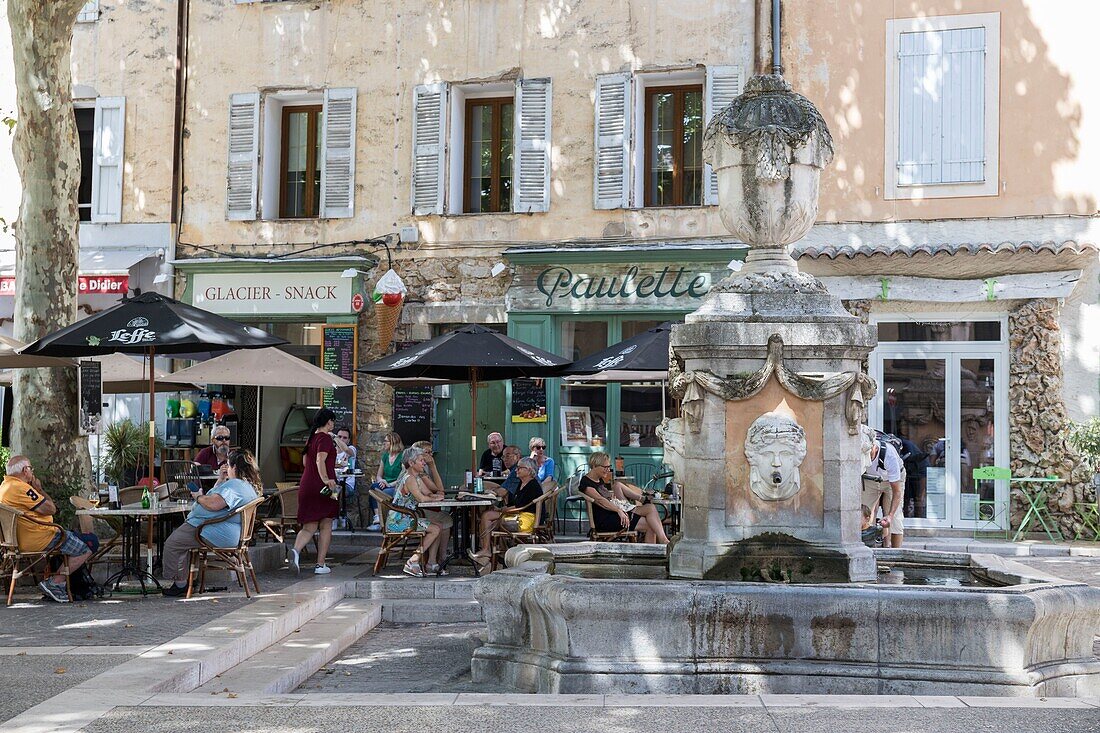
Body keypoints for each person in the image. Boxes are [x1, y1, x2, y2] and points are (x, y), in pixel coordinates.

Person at [160, 450, 261, 597]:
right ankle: (186, 580)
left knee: (172, 544)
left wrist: (198, 497)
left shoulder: (235, 485)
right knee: (182, 542)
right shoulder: (246, 486)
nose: (226, 467)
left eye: (228, 464)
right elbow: (218, 498)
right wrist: (220, 480)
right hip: (224, 530)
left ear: (234, 467)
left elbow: (214, 503)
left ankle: (180, 584)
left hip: (210, 529)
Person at [0, 456, 95, 603]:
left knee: (81, 538)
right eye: (31, 469)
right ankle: (55, 582)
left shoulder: (4, 487)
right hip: (41, 537)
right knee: (89, 544)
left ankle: (60, 582)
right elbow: (51, 509)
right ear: (25, 471)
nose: (32, 472)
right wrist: (39, 489)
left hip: (16, 541)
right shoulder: (21, 488)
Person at [289, 408, 341, 574]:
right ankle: (320, 565)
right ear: (328, 422)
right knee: (326, 524)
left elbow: (306, 462)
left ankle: (296, 551)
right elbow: (320, 459)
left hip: (306, 484)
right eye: (332, 420)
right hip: (325, 487)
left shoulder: (311, 439)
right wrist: (326, 479)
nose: (333, 423)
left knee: (309, 526)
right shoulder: (325, 439)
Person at [387, 446, 452, 577]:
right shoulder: (409, 479)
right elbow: (421, 498)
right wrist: (433, 499)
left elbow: (428, 493)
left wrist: (436, 497)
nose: (424, 463)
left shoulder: (416, 478)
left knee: (438, 526)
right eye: (421, 460)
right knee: (435, 529)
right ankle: (413, 560)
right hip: (399, 521)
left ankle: (429, 563)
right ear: (411, 463)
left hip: (408, 518)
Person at [580, 452, 668, 545]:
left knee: (651, 513)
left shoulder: (599, 479)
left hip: (614, 513)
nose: (608, 470)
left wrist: (616, 503)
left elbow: (606, 497)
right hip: (605, 520)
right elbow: (601, 501)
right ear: (594, 466)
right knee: (651, 520)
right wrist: (619, 510)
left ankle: (658, 545)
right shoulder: (586, 483)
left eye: (609, 466)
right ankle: (661, 543)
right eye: (605, 467)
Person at [471, 456, 545, 567]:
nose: (516, 470)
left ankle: (488, 552)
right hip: (519, 515)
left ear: (529, 471)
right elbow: (516, 504)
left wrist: (502, 510)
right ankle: (492, 554)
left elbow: (520, 506)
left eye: (519, 468)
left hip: (525, 521)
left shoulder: (532, 486)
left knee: (487, 516)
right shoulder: (522, 483)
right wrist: (501, 510)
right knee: (489, 517)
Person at [860, 425, 905, 548]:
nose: (865, 457)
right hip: (870, 479)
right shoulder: (857, 451)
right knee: (863, 514)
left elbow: (897, 492)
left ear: (874, 447)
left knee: (895, 519)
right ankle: (866, 549)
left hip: (892, 481)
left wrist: (889, 515)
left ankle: (896, 556)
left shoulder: (889, 455)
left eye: (867, 453)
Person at [367, 432, 405, 531]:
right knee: (373, 488)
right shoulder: (385, 456)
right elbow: (379, 475)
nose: (384, 443)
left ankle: (383, 520)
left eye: (386, 441)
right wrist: (382, 481)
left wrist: (389, 484)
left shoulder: (402, 457)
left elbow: (403, 478)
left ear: (393, 442)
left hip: (396, 485)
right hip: (385, 484)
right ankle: (378, 517)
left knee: (383, 493)